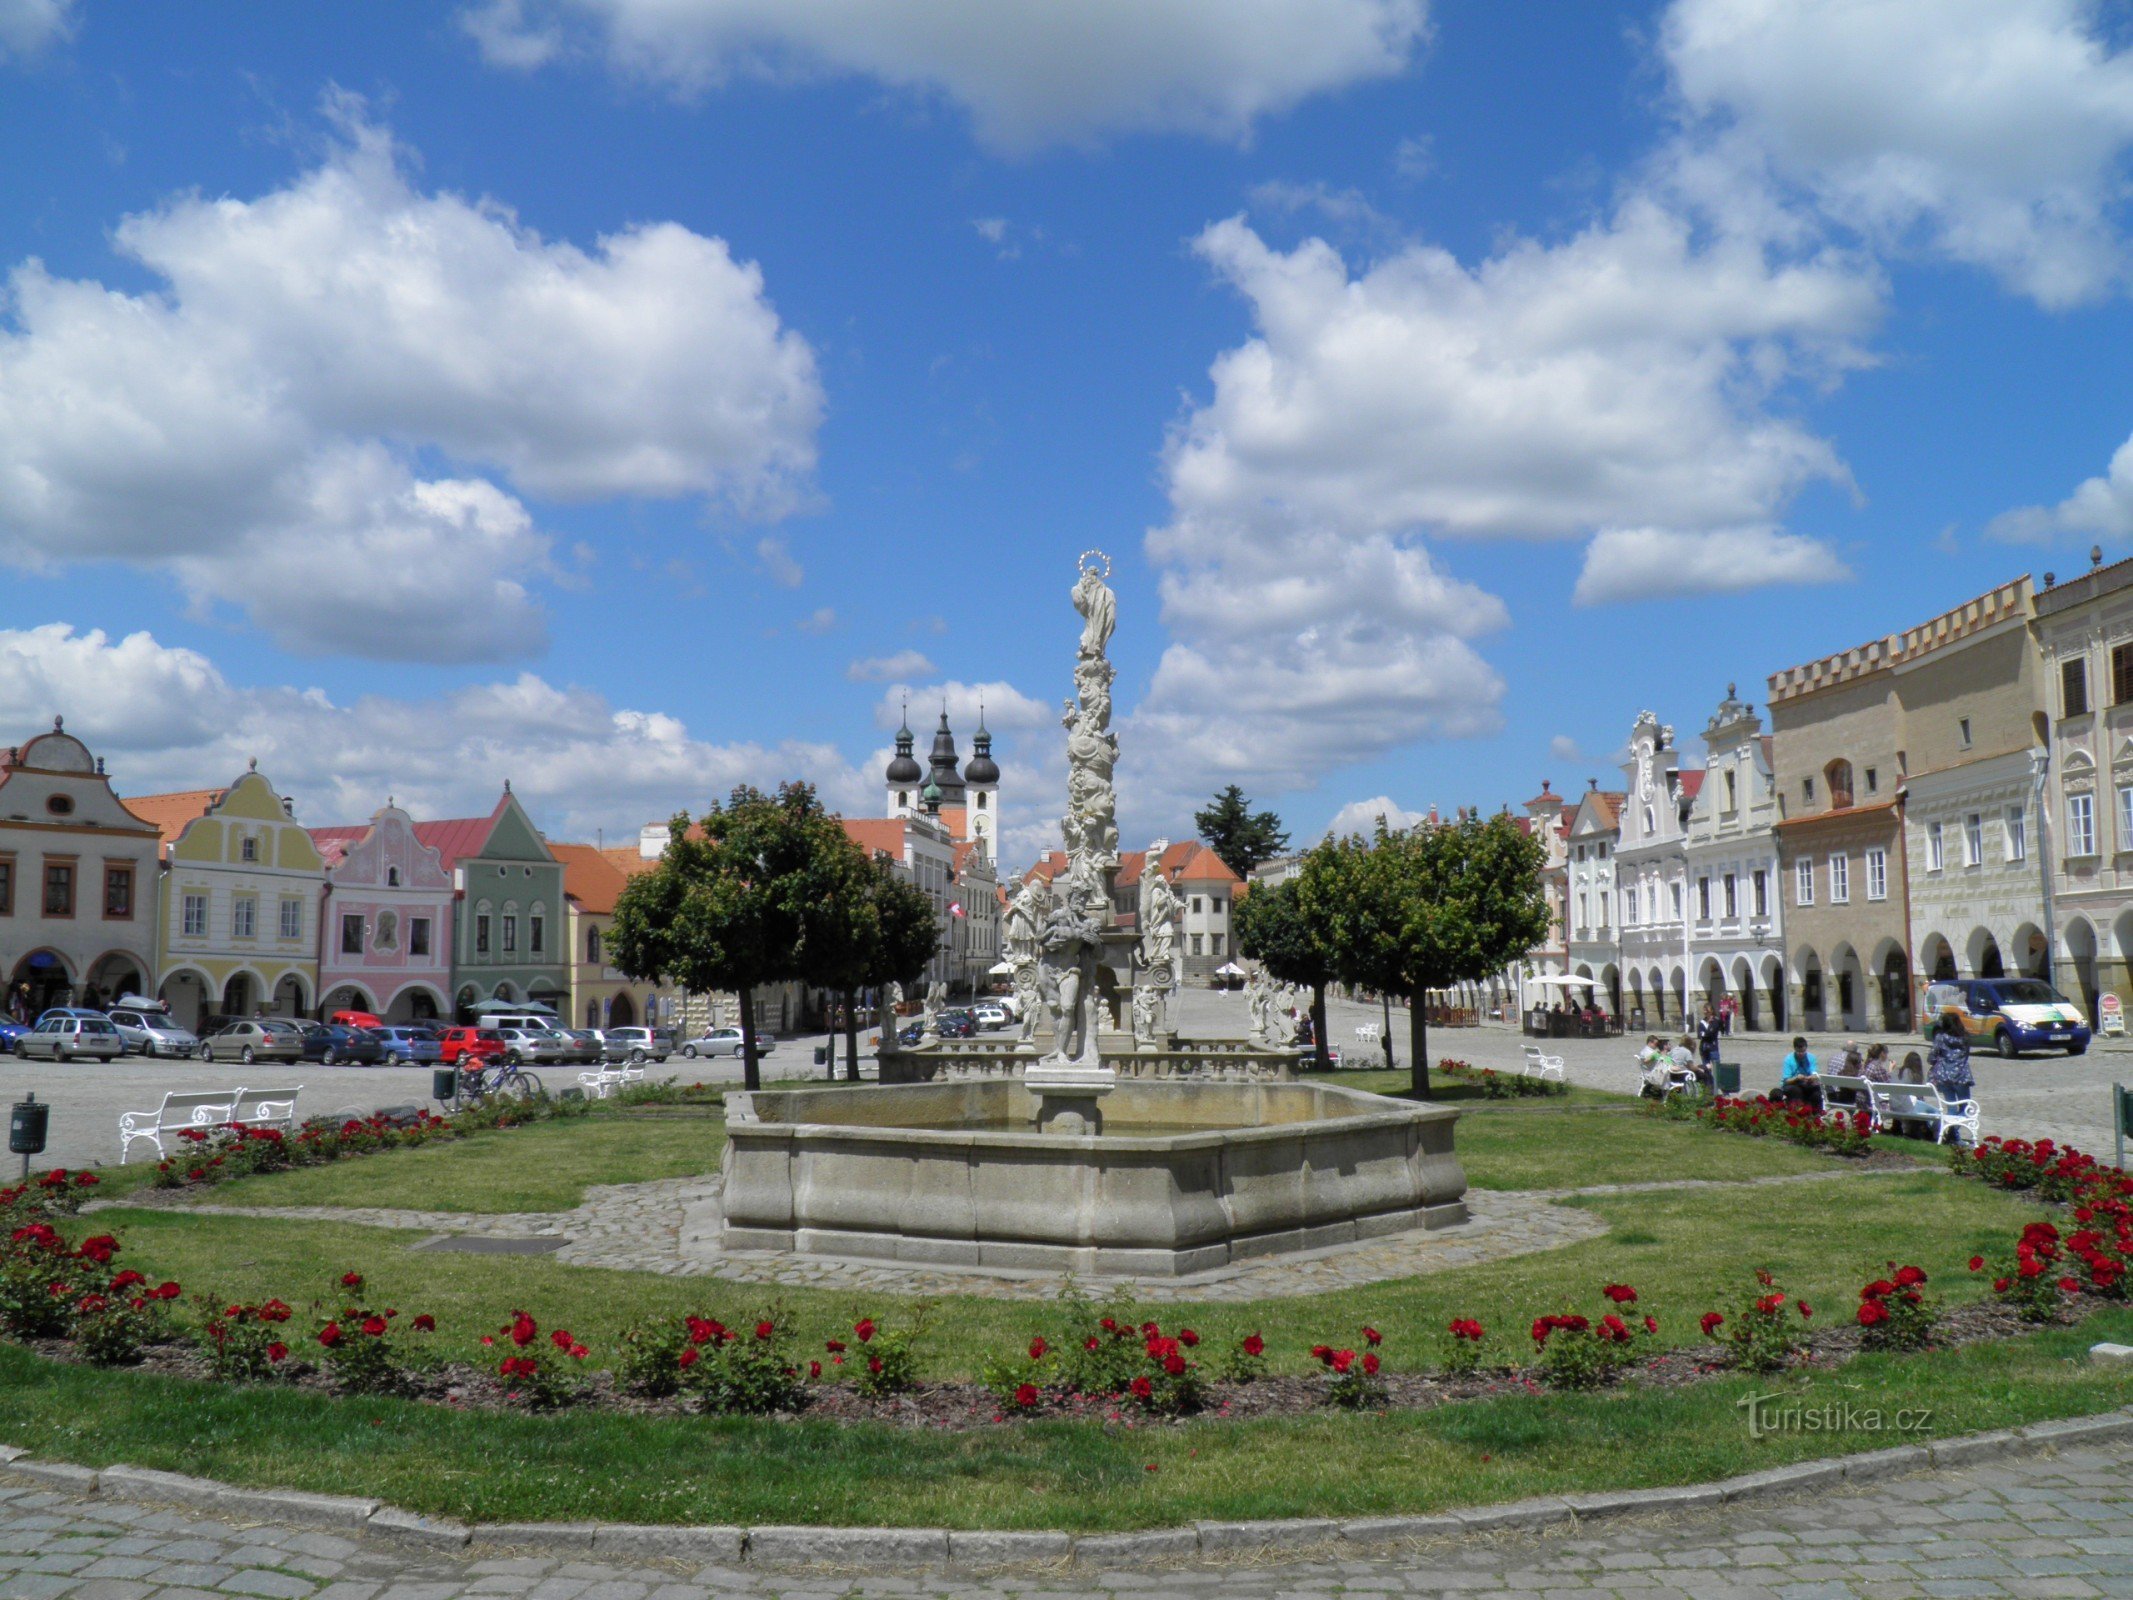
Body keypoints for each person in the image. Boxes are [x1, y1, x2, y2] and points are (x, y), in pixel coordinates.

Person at [1927, 1014, 1974, 1102]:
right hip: (1962, 1076)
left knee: (1951, 1107)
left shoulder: (1940, 1038)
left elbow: (1931, 1057)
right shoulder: (1965, 1038)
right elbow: (1966, 1055)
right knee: (1965, 1106)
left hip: (1944, 1076)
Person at [1777, 1035, 1821, 1108]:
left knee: (1817, 1091)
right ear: (1795, 1049)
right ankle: (1797, 1111)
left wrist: (1812, 1077)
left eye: (1803, 1051)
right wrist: (1797, 1078)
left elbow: (1814, 1073)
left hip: (1806, 1083)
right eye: (1799, 1052)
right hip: (1792, 1084)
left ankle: (1815, 1111)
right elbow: (1786, 1080)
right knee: (1796, 1091)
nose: (1801, 1054)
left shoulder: (1811, 1058)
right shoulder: (1788, 1059)